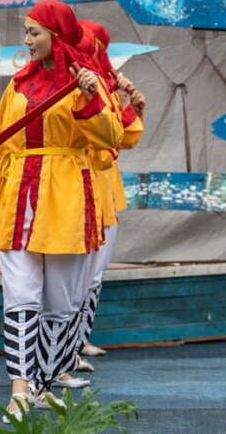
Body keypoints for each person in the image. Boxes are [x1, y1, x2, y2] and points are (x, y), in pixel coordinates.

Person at [0, 0, 123, 420]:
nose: (26, 41)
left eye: (34, 33)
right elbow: (2, 138)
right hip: (17, 198)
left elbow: (111, 137)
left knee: (62, 303)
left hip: (67, 197)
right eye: (25, 32)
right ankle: (21, 389)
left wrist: (87, 98)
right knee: (20, 296)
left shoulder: (89, 82)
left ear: (58, 36)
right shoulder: (17, 84)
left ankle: (44, 383)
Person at [69, 20, 146, 373]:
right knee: (73, 277)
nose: (97, 55)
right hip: (74, 185)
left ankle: (76, 342)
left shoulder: (102, 86)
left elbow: (120, 139)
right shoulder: (76, 85)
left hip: (104, 186)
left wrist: (131, 107)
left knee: (93, 276)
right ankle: (61, 353)